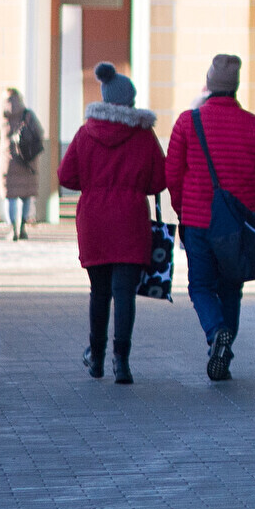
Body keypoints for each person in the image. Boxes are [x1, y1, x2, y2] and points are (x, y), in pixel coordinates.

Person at [161, 54, 255, 384]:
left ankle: (216, 334)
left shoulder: (188, 122)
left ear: (210, 84)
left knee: (200, 285)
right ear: (236, 86)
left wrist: (182, 210)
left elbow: (172, 174)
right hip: (238, 225)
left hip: (198, 221)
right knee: (231, 287)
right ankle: (223, 356)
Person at [61, 65, 165, 383]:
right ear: (130, 100)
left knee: (99, 292)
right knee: (124, 294)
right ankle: (122, 362)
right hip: (131, 221)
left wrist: (93, 182)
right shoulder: (143, 135)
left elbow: (66, 176)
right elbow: (159, 180)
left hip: (94, 222)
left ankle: (96, 359)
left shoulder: (85, 133)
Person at [0, 90, 46, 241]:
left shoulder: (1, 116)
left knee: (9, 197)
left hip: (7, 163)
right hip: (27, 161)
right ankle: (22, 228)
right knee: (25, 196)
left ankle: (12, 229)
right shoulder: (28, 115)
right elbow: (39, 133)